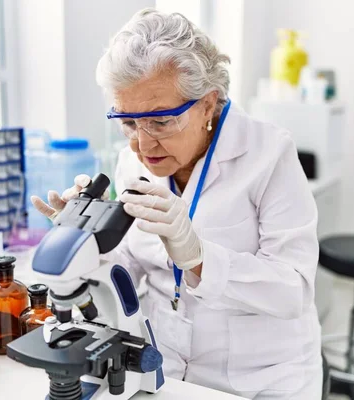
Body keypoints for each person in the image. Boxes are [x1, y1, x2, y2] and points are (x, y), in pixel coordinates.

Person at [32, 8, 322, 400]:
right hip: (167, 369)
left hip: (261, 378)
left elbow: (294, 291)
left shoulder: (269, 155)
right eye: (128, 122)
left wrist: (199, 257)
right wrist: (85, 250)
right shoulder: (130, 161)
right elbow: (132, 266)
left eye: (161, 121)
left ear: (207, 104)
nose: (143, 144)